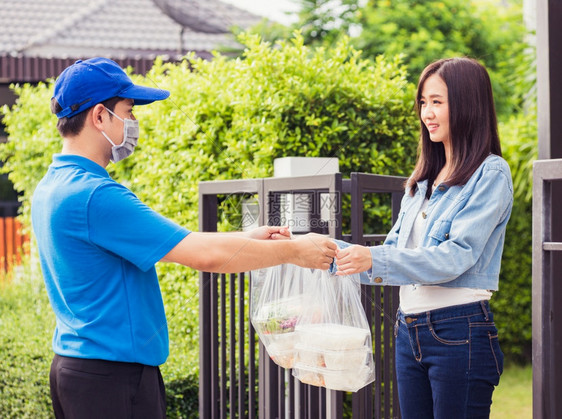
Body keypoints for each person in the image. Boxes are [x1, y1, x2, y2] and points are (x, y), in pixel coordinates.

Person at [31, 57, 337, 419]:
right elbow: (200, 254)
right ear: (100, 116)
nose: (134, 123)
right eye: (128, 111)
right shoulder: (96, 195)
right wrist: (294, 251)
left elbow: (174, 242)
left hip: (76, 367)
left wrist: (247, 237)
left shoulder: (53, 186)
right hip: (112, 377)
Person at [334, 57, 513, 418]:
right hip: (409, 329)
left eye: (437, 102)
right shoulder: (422, 183)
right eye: (422, 102)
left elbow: (456, 257)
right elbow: (393, 256)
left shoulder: (490, 173)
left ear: (467, 104)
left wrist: (374, 258)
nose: (426, 113)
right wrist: (318, 249)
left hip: (459, 330)